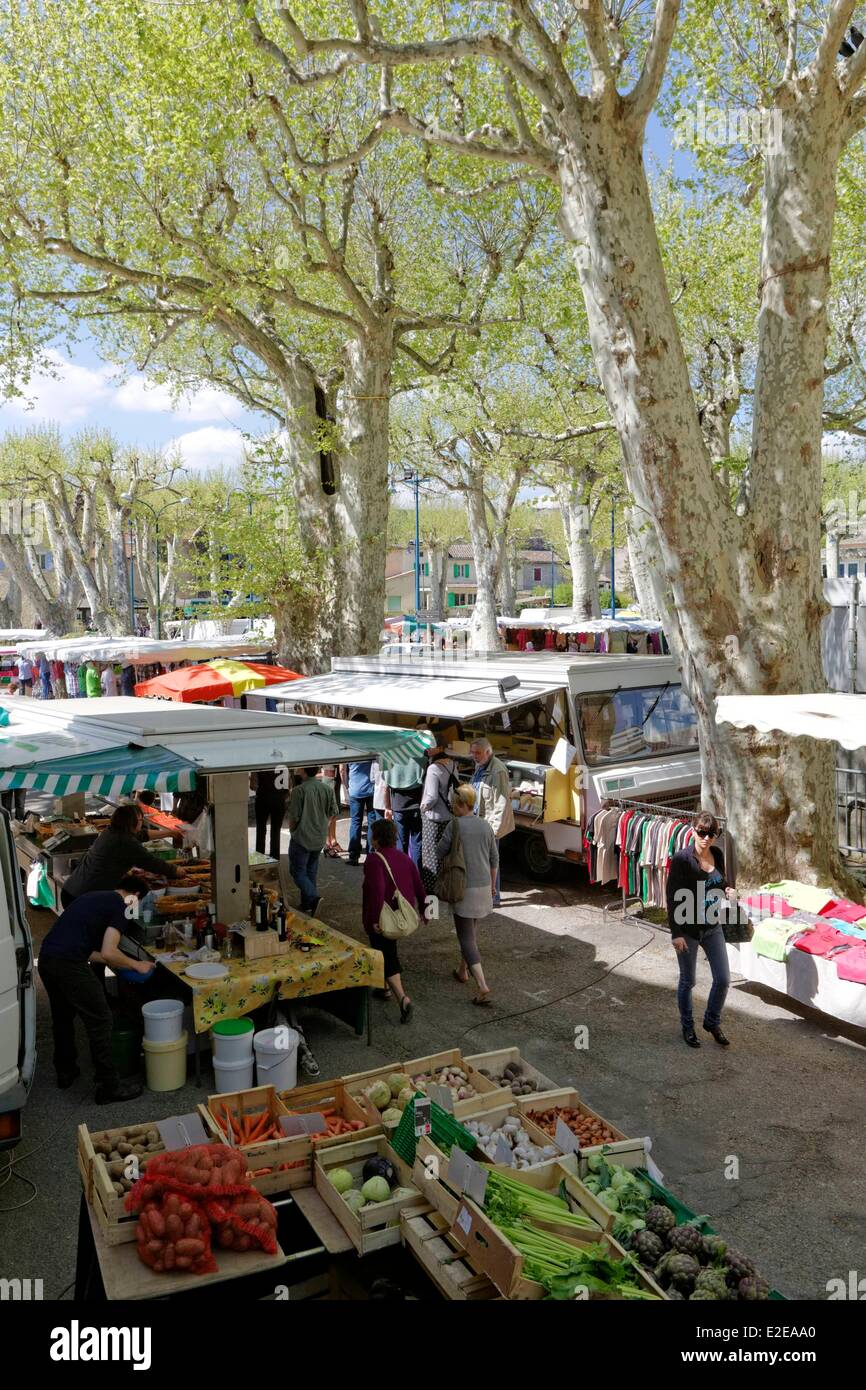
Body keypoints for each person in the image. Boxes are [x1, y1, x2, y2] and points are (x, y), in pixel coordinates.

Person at [38, 878, 152, 1101]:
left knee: (62, 1016)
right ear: (135, 895)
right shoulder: (122, 906)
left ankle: (66, 1070)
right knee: (100, 1018)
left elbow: (88, 951)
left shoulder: (93, 897)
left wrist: (124, 961)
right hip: (69, 964)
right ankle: (109, 1086)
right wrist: (137, 964)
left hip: (48, 959)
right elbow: (109, 953)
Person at [665, 810, 735, 1049]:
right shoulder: (682, 860)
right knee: (688, 981)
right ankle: (688, 1027)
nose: (705, 838)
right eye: (701, 832)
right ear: (693, 830)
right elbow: (672, 898)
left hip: (713, 926)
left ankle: (711, 1022)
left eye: (711, 833)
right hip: (688, 929)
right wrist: (675, 934)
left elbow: (720, 880)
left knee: (724, 979)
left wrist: (727, 890)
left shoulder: (717, 853)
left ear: (716, 835)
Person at [362, 818, 426, 1023]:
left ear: (377, 838)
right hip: (401, 915)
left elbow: (377, 891)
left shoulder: (374, 859)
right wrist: (425, 910)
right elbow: (419, 885)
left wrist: (373, 919)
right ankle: (383, 989)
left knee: (385, 954)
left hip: (383, 916)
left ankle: (402, 998)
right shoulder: (404, 858)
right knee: (388, 949)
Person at [61, 802, 179, 906]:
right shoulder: (125, 841)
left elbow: (142, 834)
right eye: (140, 820)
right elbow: (151, 863)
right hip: (82, 897)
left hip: (72, 890)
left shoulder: (112, 831)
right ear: (131, 822)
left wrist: (169, 833)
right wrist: (176, 870)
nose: (141, 823)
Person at [443, 784, 498, 1006]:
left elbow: (439, 851)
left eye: (453, 805)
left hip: (463, 887)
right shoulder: (485, 825)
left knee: (466, 938)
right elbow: (495, 859)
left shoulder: (454, 825)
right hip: (485, 886)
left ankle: (482, 985)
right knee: (471, 932)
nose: (452, 808)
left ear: (462, 804)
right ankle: (462, 970)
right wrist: (493, 886)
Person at [469, 737, 514, 907]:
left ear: (488, 752)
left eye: (478, 753)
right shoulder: (480, 765)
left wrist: (494, 829)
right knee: (482, 861)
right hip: (477, 821)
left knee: (491, 862)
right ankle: (484, 895)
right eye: (472, 752)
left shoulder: (498, 771)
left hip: (489, 825)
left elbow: (501, 803)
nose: (474, 756)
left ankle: (493, 898)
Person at [287, 765, 338, 917]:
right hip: (319, 836)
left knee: (297, 871)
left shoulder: (299, 791)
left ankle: (313, 897)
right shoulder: (326, 789)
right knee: (310, 871)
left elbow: (294, 817)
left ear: (302, 770)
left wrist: (293, 830)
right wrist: (324, 824)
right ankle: (307, 902)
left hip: (301, 837)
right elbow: (333, 811)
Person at [382, 725, 428, 867]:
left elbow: (385, 786)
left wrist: (387, 807)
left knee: (400, 842)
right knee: (416, 842)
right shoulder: (420, 752)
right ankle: (416, 875)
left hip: (398, 803)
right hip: (416, 802)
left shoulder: (388, 753)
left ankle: (401, 875)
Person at [419, 735, 458, 893]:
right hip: (450, 816)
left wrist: (423, 807)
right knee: (446, 852)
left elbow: (432, 796)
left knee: (431, 853)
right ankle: (446, 884)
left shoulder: (433, 768)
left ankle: (431, 888)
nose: (427, 750)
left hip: (434, 818)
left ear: (438, 749)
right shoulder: (453, 765)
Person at [343, 721, 381, 864]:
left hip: (355, 789)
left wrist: (347, 786)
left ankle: (353, 855)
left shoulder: (350, 744)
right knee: (372, 822)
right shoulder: (371, 744)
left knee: (356, 822)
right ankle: (371, 854)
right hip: (371, 789)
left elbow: (343, 769)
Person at [254, 767, 290, 860]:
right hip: (278, 799)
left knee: (260, 830)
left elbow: (252, 785)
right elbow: (288, 785)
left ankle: (259, 858)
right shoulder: (283, 764)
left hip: (262, 798)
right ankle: (274, 857)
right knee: (276, 831)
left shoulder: (259, 762)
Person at [319, 765, 344, 857]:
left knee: (333, 814)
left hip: (334, 779)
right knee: (329, 815)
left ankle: (333, 841)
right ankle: (327, 844)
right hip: (330, 778)